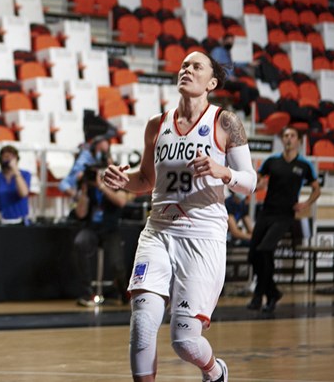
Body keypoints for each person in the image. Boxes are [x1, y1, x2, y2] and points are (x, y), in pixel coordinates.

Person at [103, 50, 258, 382]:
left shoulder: (226, 121)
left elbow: (250, 182)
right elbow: (146, 181)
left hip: (202, 235)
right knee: (143, 323)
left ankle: (215, 371)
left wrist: (222, 171)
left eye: (196, 66)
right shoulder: (156, 124)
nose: (186, 69)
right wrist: (122, 181)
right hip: (158, 230)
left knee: (185, 341)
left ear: (212, 82)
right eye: (184, 65)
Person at [246, 125, 321, 312]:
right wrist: (259, 182)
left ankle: (259, 295)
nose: (288, 138)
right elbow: (258, 178)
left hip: (285, 215)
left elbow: (316, 188)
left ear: (299, 141)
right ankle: (272, 293)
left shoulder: (305, 165)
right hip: (266, 213)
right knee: (253, 254)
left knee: (265, 250)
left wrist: (306, 204)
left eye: (292, 135)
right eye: (285, 135)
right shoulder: (271, 161)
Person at [73, 152, 130, 305]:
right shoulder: (89, 187)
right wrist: (85, 191)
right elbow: (80, 213)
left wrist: (101, 186)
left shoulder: (116, 182)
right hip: (92, 228)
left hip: (111, 229)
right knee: (80, 242)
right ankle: (87, 293)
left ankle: (124, 292)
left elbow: (121, 202)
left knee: (117, 263)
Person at [60, 130, 115, 197]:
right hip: (83, 191)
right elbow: (64, 183)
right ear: (95, 146)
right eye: (100, 150)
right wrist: (75, 196)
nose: (101, 154)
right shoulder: (85, 156)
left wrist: (111, 166)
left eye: (104, 152)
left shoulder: (107, 161)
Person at [0, 145, 31, 224]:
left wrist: (16, 172)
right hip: (2, 220)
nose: (9, 159)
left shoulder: (25, 174)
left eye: (12, 157)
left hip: (21, 220)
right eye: (6, 157)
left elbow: (23, 193)